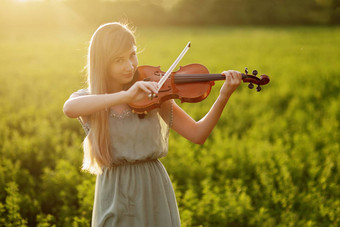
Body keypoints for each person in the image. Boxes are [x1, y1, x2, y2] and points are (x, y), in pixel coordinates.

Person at [63, 22, 242, 227]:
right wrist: (125, 95)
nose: (130, 65)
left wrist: (223, 96)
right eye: (118, 60)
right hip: (113, 191)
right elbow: (69, 108)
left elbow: (197, 134)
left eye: (132, 54)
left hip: (153, 187)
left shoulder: (153, 92)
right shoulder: (91, 100)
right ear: (102, 63)